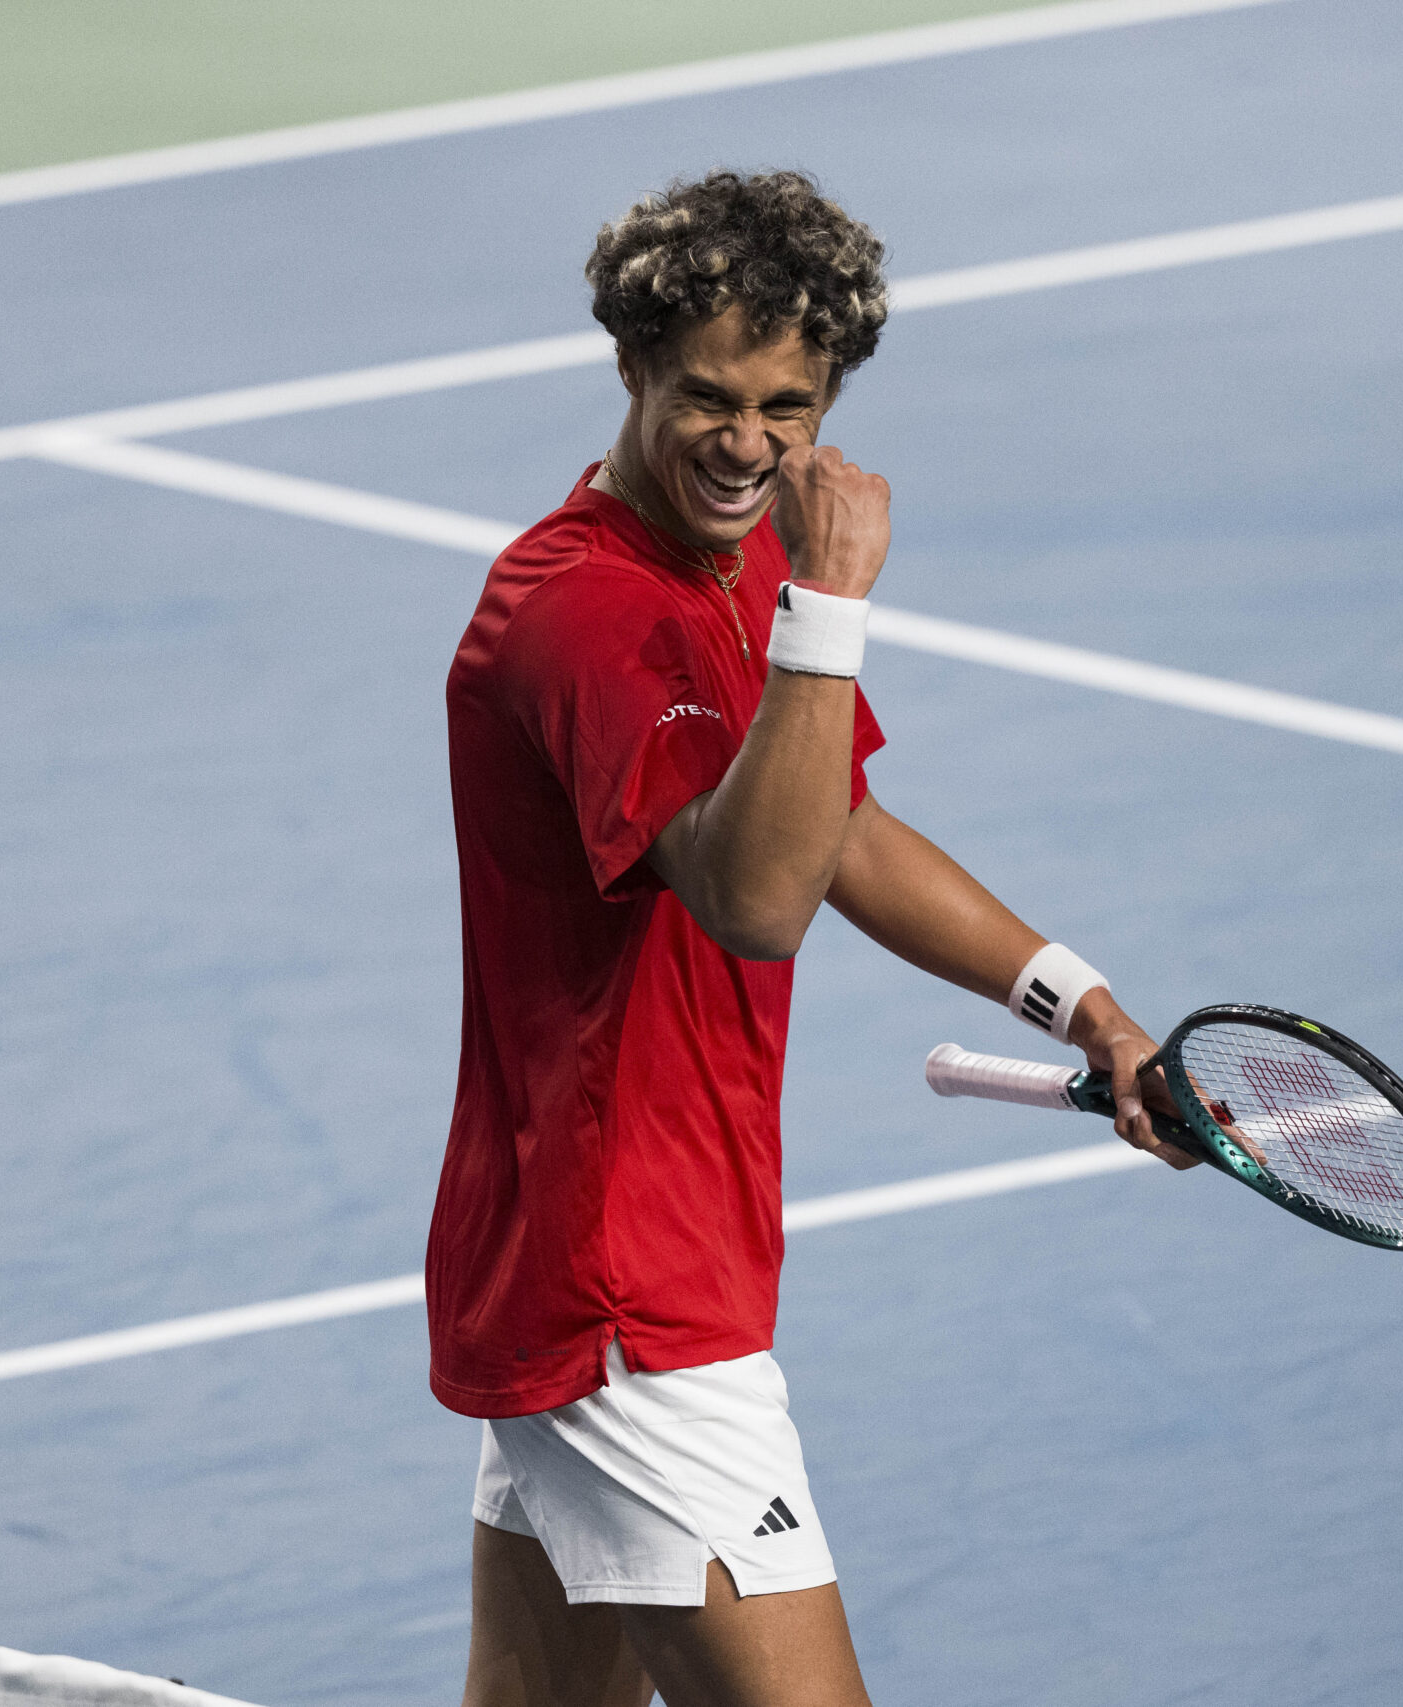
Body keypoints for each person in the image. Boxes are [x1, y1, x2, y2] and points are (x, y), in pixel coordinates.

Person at [427, 169, 1195, 1707]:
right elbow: (754, 897)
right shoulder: (586, 612)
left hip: (644, 1253)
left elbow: (837, 827)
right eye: (708, 397)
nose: (750, 444)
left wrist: (1086, 1008)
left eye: (789, 406)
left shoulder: (741, 557)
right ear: (634, 370)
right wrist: (834, 604)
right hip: (626, 1298)